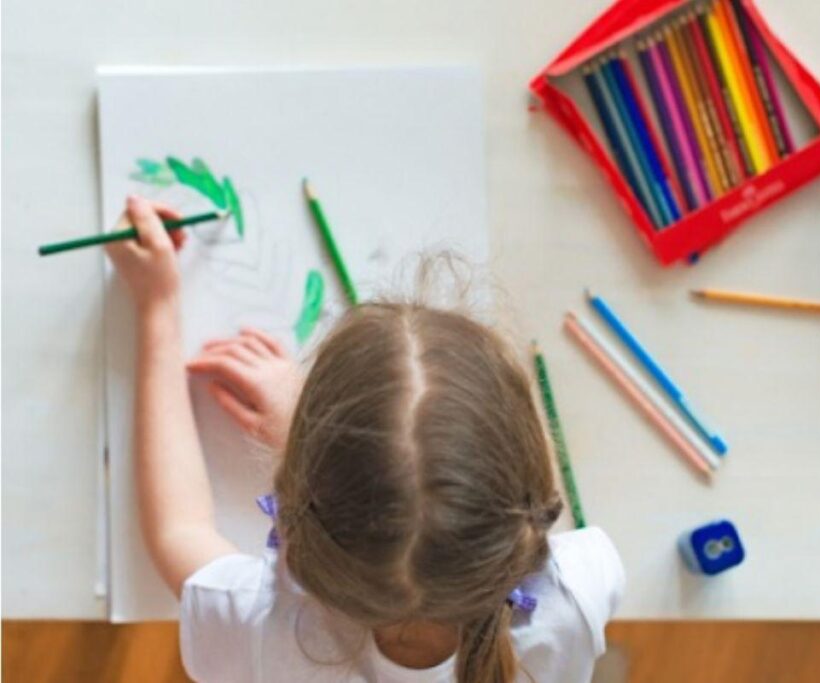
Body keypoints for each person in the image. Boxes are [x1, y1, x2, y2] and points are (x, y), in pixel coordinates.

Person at [107, 195, 624, 682]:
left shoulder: (257, 624)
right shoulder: (575, 597)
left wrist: (157, 304)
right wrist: (315, 446)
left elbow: (178, 529)